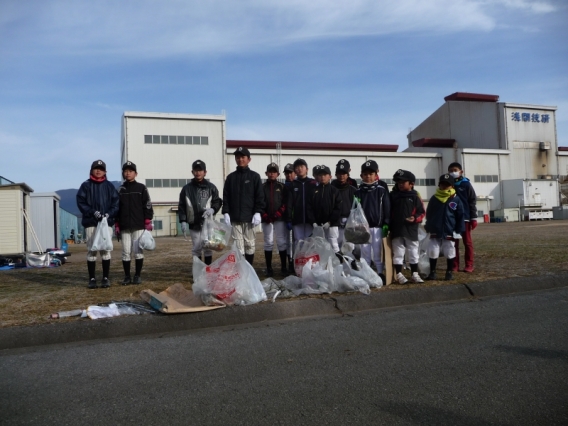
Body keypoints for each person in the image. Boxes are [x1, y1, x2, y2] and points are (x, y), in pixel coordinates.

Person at [76, 160, 119, 289]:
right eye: (96, 168)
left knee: (105, 250)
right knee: (91, 250)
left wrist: (108, 214)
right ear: (91, 170)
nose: (98, 170)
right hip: (91, 223)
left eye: (101, 168)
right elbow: (81, 202)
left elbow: (116, 204)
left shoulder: (110, 186)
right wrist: (92, 212)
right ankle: (92, 279)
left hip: (106, 224)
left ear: (105, 171)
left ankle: (105, 278)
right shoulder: (86, 186)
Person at [222, 147, 265, 265]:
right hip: (235, 218)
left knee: (249, 244)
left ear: (249, 159)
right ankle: (240, 269)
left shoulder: (254, 177)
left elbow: (260, 197)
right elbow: (226, 196)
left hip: (250, 217)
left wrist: (258, 212)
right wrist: (226, 212)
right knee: (238, 245)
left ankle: (249, 268)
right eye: (238, 157)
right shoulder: (231, 178)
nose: (240, 159)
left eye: (243, 157)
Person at [178, 160, 223, 266]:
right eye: (196, 170)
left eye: (200, 170)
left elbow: (217, 201)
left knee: (208, 247)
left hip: (208, 223)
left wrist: (213, 209)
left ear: (205, 172)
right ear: (192, 172)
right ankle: (197, 271)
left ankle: (208, 269)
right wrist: (183, 220)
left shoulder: (211, 187)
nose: (198, 173)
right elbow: (182, 206)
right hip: (194, 223)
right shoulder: (186, 189)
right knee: (196, 248)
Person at [116, 161, 154, 285]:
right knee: (126, 252)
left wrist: (147, 220)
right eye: (125, 171)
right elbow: (116, 208)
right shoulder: (120, 189)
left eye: (130, 171)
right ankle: (127, 276)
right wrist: (116, 223)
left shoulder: (141, 188)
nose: (128, 173)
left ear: (135, 173)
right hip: (124, 226)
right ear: (123, 173)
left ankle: (137, 275)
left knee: (138, 251)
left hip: (138, 225)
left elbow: (147, 204)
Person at [424, 174, 465, 281]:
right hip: (435, 228)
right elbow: (429, 213)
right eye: (443, 184)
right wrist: (428, 225)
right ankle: (432, 272)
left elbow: (460, 215)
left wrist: (459, 229)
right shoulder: (434, 198)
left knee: (449, 249)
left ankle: (449, 272)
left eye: (448, 185)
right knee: (433, 250)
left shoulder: (456, 199)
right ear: (439, 185)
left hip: (449, 229)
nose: (445, 186)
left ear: (452, 186)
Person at [355, 160, 390, 278]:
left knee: (377, 251)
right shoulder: (358, 192)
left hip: (378, 226)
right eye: (365, 174)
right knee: (365, 252)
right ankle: (366, 273)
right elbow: (354, 210)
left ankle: (380, 273)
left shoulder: (381, 190)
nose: (368, 176)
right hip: (364, 227)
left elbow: (387, 207)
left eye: (371, 174)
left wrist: (386, 222)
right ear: (361, 176)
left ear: (376, 174)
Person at [389, 169, 425, 284]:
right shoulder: (393, 196)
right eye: (398, 182)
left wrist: (415, 218)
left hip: (411, 229)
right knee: (398, 252)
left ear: (411, 184)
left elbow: (422, 212)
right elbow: (389, 212)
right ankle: (399, 274)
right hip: (397, 229)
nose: (400, 184)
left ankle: (414, 273)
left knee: (413, 251)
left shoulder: (415, 197)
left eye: (403, 182)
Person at [448, 162, 478, 272]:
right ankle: (454, 265)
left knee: (467, 242)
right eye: (450, 171)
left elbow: (472, 201)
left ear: (461, 172)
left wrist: (473, 218)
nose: (453, 172)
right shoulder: (448, 185)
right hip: (452, 219)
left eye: (455, 170)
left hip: (465, 218)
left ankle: (469, 264)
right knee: (453, 243)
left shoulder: (466, 184)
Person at [261, 162, 288, 276]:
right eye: (270, 172)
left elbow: (285, 202)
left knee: (281, 242)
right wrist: (264, 215)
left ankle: (283, 267)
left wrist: (278, 213)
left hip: (279, 218)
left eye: (274, 172)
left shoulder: (282, 186)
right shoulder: (262, 187)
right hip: (266, 219)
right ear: (266, 173)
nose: (272, 174)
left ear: (278, 174)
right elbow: (259, 202)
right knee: (268, 242)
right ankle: (269, 268)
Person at [287, 158, 318, 246]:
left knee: (310, 242)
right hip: (297, 219)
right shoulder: (293, 185)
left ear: (307, 169)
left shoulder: (313, 183)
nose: (299, 169)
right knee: (298, 242)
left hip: (311, 220)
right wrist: (289, 219)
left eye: (301, 166)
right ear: (295, 171)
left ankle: (310, 260)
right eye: (297, 167)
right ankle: (298, 260)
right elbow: (289, 203)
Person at [311, 165, 342, 253]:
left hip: (332, 224)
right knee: (320, 245)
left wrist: (330, 222)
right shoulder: (314, 191)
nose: (322, 177)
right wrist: (313, 222)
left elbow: (338, 207)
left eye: (325, 175)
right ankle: (323, 266)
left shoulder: (334, 191)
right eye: (320, 175)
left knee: (333, 244)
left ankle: (337, 264)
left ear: (330, 176)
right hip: (318, 224)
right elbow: (310, 207)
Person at [331, 162, 356, 248]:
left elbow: (356, 207)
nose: (342, 176)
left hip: (348, 221)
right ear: (336, 174)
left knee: (349, 246)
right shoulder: (331, 189)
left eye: (344, 173)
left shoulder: (353, 190)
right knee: (335, 247)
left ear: (348, 175)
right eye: (339, 173)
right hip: (335, 221)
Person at [283, 163, 296, 273]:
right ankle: (289, 263)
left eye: (290, 173)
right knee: (287, 242)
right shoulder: (283, 187)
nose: (288, 175)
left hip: (296, 218)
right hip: (285, 217)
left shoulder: (297, 185)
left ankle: (296, 262)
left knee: (296, 242)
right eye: (286, 173)